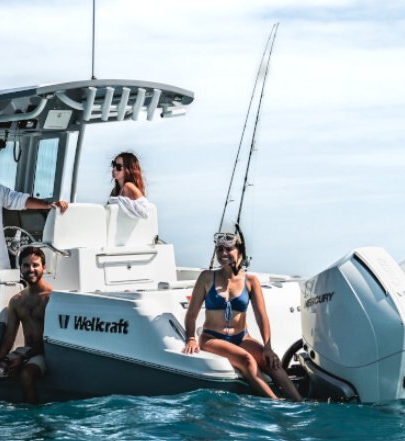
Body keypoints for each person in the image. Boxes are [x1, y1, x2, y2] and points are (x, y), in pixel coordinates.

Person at [181, 230, 303, 401]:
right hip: (212, 338)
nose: (223, 253)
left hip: (242, 337)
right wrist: (191, 338)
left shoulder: (251, 281)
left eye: (228, 249)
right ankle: (276, 404)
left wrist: (268, 347)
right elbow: (192, 314)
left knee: (272, 362)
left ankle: (300, 404)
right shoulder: (206, 277)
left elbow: (262, 316)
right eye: (219, 249)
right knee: (247, 360)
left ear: (240, 251)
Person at [0, 246, 53, 403]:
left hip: (44, 353)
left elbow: (51, 341)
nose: (31, 269)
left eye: (35, 265)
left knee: (26, 375)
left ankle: (32, 418)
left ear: (44, 267)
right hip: (23, 353)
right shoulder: (16, 301)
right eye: (26, 265)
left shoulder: (52, 299)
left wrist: (23, 358)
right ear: (20, 268)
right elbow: (8, 339)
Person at [106, 151, 151, 219]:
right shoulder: (114, 191)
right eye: (113, 164)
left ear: (128, 169)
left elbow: (145, 211)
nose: (114, 169)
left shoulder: (128, 186)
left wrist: (120, 201)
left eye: (118, 167)